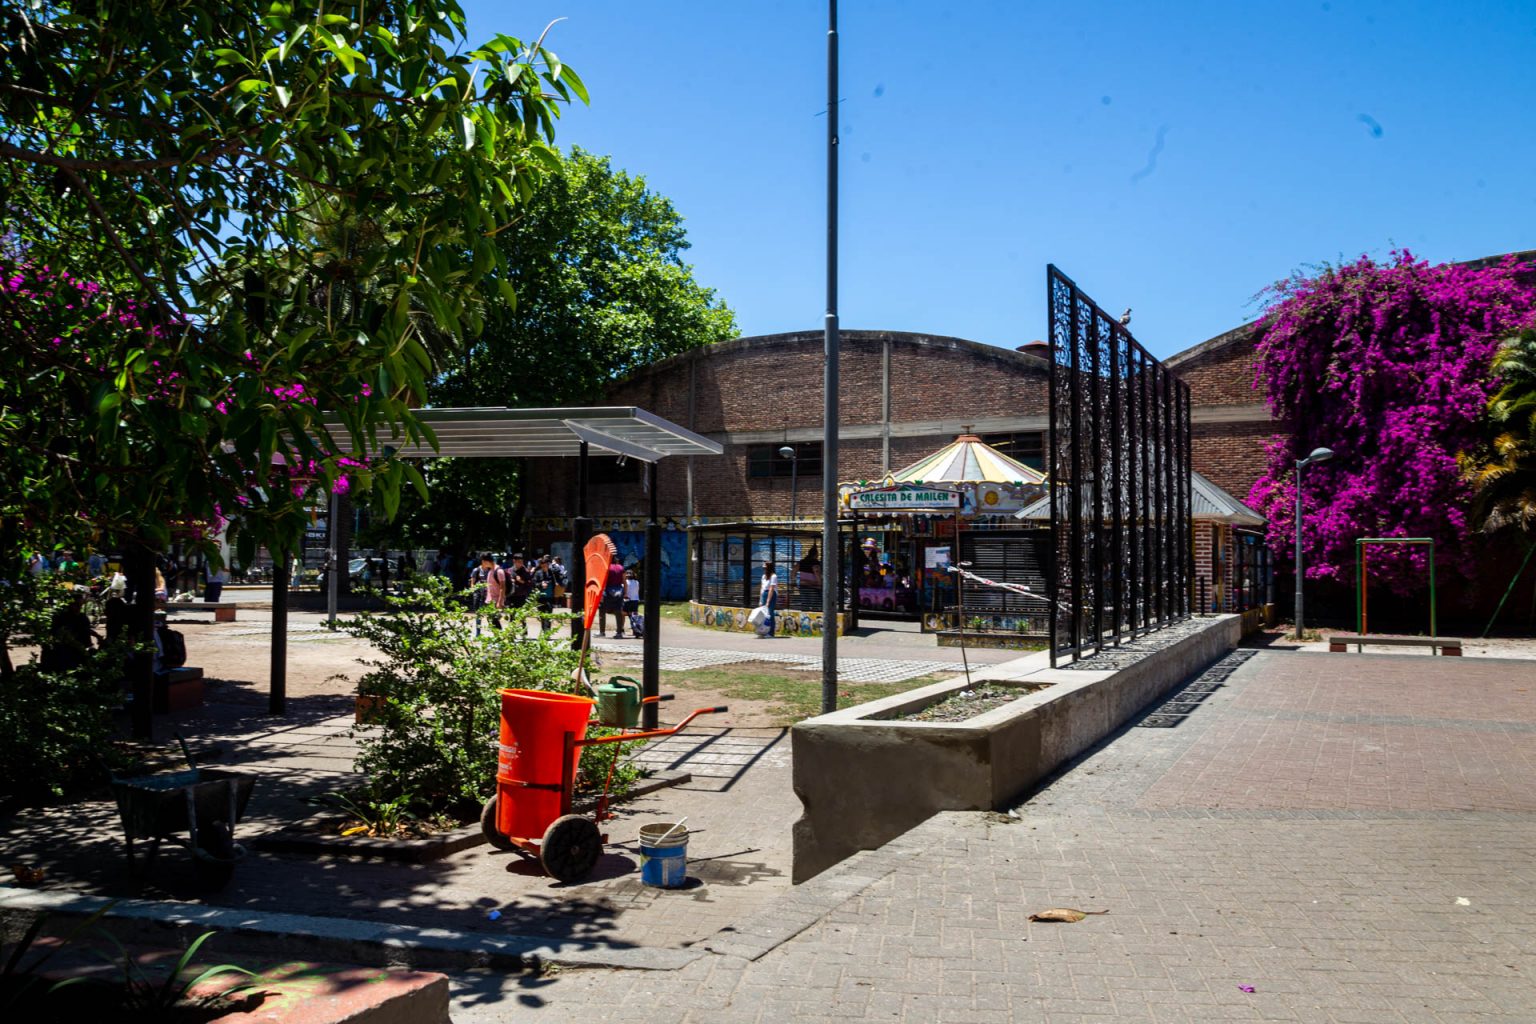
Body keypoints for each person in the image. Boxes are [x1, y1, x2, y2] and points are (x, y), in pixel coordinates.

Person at [473, 553, 507, 633]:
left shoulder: (499, 571)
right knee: (491, 620)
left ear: (486, 561)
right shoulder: (490, 571)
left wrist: (500, 602)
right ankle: (498, 637)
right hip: (490, 601)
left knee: (494, 620)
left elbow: (502, 587)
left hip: (496, 600)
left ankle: (499, 637)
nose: (482, 564)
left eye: (483, 562)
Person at [599, 553, 627, 637]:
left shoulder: (606, 567)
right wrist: (625, 593)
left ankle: (602, 632)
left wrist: (601, 594)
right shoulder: (621, 568)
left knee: (602, 611)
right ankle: (619, 633)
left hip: (607, 591)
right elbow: (624, 582)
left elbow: (603, 581)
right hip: (619, 592)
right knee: (618, 612)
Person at [758, 560, 778, 637]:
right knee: (764, 614)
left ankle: (771, 633)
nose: (764, 569)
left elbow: (771, 589)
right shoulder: (763, 576)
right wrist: (760, 600)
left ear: (769, 567)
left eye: (765, 567)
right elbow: (762, 588)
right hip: (764, 594)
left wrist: (768, 601)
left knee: (770, 613)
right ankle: (764, 631)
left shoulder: (773, 576)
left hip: (771, 595)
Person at [623, 569, 641, 638]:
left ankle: (621, 629)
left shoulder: (625, 582)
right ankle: (635, 630)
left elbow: (624, 592)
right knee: (634, 616)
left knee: (623, 614)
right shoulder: (637, 582)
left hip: (627, 600)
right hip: (635, 600)